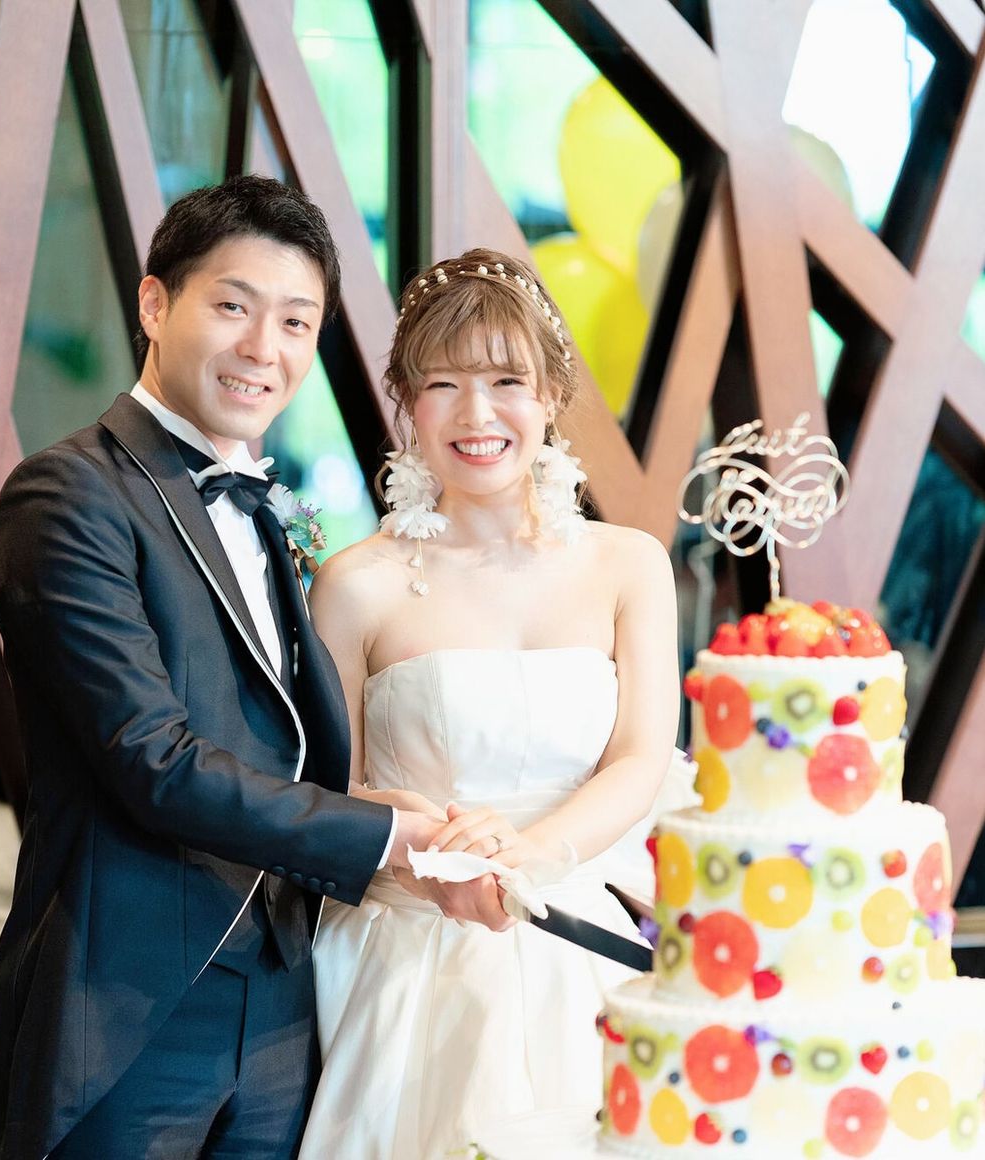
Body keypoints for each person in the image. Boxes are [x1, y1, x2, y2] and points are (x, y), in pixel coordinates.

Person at [0, 177, 467, 1160]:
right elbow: (152, 758)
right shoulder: (68, 494)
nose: (263, 348)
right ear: (155, 304)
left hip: (283, 1003)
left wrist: (399, 816)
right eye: (233, 306)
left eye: (296, 321)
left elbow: (277, 743)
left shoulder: (272, 508)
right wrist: (382, 834)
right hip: (129, 1004)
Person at [300, 249, 684, 1158]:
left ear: (551, 394)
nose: (477, 415)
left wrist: (536, 856)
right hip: (412, 954)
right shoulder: (355, 586)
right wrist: (429, 852)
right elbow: (326, 791)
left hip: (578, 935)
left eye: (506, 381)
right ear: (408, 402)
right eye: (443, 384)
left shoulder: (628, 565)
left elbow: (640, 757)